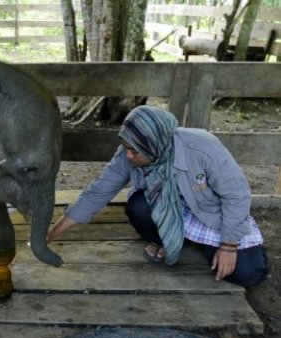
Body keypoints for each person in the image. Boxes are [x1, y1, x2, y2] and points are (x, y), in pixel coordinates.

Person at [48, 105, 268, 287]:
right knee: (138, 207)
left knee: (248, 274)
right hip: (170, 207)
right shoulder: (130, 150)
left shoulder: (202, 148)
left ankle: (195, 242)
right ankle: (175, 239)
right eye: (125, 148)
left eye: (135, 152)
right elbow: (97, 193)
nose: (128, 156)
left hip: (212, 213)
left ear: (155, 146)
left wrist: (228, 246)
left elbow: (236, 196)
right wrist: (53, 232)